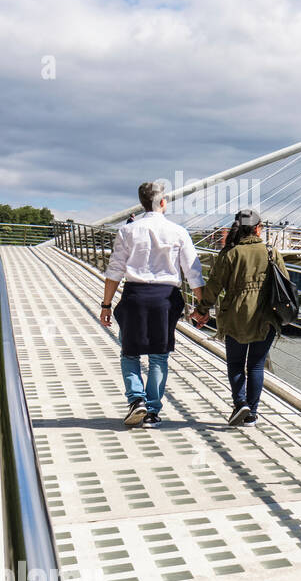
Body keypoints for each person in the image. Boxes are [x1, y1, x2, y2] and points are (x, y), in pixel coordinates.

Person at [101, 181, 204, 427]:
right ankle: (152, 412)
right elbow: (193, 272)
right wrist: (202, 307)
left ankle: (137, 400)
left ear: (142, 202)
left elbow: (114, 271)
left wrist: (106, 305)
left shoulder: (128, 231)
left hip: (134, 296)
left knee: (129, 352)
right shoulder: (178, 232)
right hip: (165, 299)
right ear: (162, 202)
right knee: (159, 356)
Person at [193, 209, 289, 427]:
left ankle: (240, 403)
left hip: (235, 316)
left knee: (235, 363)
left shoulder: (229, 253)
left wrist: (202, 309)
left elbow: (214, 287)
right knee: (255, 365)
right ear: (257, 229)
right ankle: (252, 414)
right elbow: (285, 281)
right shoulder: (271, 252)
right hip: (265, 315)